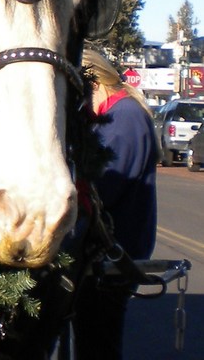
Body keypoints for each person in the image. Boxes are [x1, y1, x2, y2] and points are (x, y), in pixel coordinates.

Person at [72, 48, 158, 360]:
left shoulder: (125, 116)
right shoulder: (118, 113)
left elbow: (105, 186)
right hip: (106, 253)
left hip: (113, 253)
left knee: (98, 345)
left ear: (93, 83)